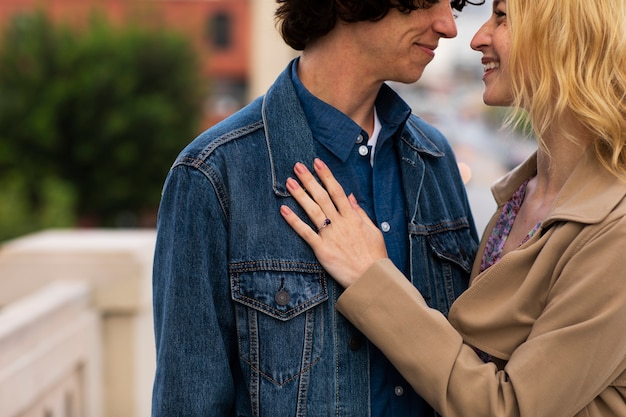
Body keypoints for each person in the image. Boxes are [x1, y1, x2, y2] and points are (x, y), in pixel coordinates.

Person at [280, 0, 626, 415]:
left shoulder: (616, 229)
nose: (475, 37)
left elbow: (509, 407)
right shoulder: (519, 199)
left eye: (502, 18)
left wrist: (372, 278)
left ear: (563, 37)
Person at [151, 0, 484, 415]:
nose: (448, 26)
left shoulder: (435, 161)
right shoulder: (212, 176)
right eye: (428, 2)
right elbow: (188, 403)